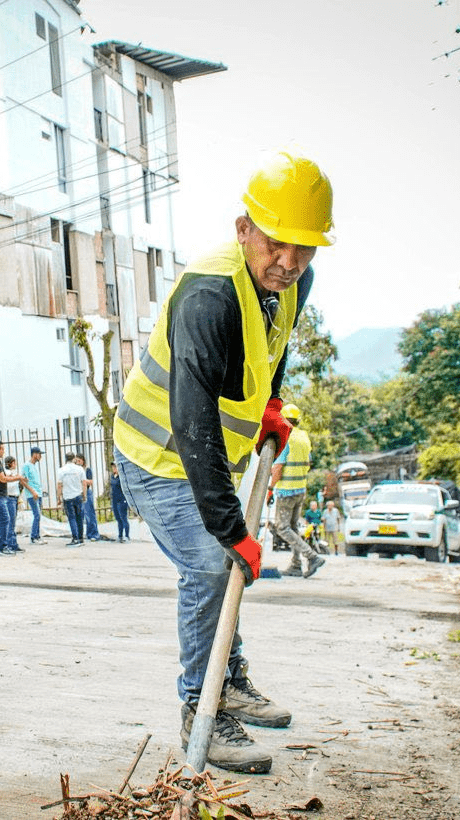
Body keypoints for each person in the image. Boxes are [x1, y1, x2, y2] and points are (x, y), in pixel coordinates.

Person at [113, 152, 335, 774]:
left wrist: (270, 405)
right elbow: (192, 419)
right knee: (213, 565)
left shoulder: (294, 283)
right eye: (274, 243)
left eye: (303, 247)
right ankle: (201, 709)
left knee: (222, 564)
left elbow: (274, 348)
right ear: (244, 230)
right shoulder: (208, 296)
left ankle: (229, 678)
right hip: (156, 454)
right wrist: (231, 529)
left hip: (208, 455)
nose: (288, 261)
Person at [270, 404, 325, 578]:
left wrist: (270, 488)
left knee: (282, 528)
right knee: (293, 527)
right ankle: (295, 565)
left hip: (286, 491)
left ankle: (312, 556)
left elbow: (278, 468)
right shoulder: (303, 437)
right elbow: (308, 462)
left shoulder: (285, 436)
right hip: (300, 489)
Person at [0, 441, 27, 555]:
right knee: (5, 519)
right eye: (2, 449)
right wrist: (17, 477)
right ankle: (2, 547)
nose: (3, 451)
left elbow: (3, 476)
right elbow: (2, 479)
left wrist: (13, 476)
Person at [56, 452, 89, 547]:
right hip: (78, 495)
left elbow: (59, 485)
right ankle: (81, 538)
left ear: (65, 459)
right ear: (74, 459)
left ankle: (75, 538)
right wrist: (84, 495)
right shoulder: (80, 469)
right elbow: (84, 483)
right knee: (79, 517)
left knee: (72, 518)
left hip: (68, 497)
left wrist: (59, 497)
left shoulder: (62, 470)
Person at [76, 454, 110, 541]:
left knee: (90, 514)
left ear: (83, 460)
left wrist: (83, 481)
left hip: (87, 492)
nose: (78, 462)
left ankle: (94, 534)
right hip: (78, 492)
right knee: (81, 514)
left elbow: (90, 482)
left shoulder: (87, 470)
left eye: (79, 461)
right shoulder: (76, 470)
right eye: (76, 461)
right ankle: (85, 534)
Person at [21, 447, 46, 545]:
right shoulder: (26, 466)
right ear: (34, 454)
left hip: (38, 493)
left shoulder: (34, 466)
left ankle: (37, 536)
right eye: (39, 454)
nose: (40, 456)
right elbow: (23, 481)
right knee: (37, 515)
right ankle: (33, 537)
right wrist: (32, 492)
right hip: (32, 494)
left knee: (38, 515)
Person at [4, 456, 23, 552]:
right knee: (11, 522)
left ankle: (13, 543)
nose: (15, 465)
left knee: (13, 522)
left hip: (14, 498)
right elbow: (9, 486)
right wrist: (16, 478)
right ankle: (10, 544)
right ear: (10, 463)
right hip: (10, 498)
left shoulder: (14, 473)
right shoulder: (6, 473)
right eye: (14, 463)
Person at [109, 462, 130, 541]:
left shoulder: (122, 477)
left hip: (122, 499)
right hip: (114, 499)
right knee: (118, 518)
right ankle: (120, 535)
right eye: (113, 467)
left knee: (123, 517)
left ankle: (127, 536)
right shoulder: (112, 476)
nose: (114, 468)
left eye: (115, 467)